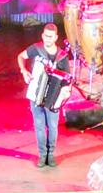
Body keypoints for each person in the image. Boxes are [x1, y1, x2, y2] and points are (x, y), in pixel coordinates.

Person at [18, 22, 70, 168]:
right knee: (39, 125)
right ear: (42, 36)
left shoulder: (61, 56)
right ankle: (42, 155)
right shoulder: (36, 49)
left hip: (53, 96)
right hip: (36, 94)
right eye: (46, 36)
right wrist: (24, 71)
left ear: (56, 38)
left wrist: (66, 90)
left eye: (50, 37)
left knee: (52, 126)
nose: (48, 39)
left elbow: (67, 77)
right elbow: (20, 56)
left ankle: (50, 154)